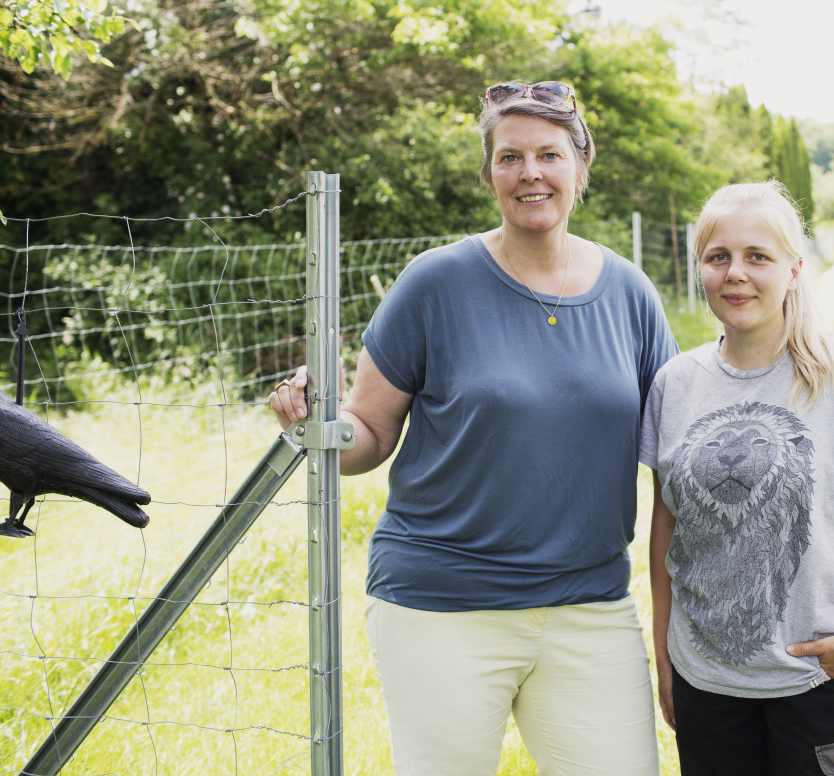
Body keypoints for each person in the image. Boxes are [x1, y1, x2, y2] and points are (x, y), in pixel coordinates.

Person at [269, 80, 677, 776]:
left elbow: (678, 452)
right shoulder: (435, 283)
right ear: (489, 172)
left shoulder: (631, 294)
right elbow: (367, 429)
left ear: (581, 165)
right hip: (443, 605)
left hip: (589, 605)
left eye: (549, 154)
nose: (531, 174)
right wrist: (318, 423)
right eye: (510, 157)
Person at [640, 180, 834, 776]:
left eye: (757, 257)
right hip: (707, 686)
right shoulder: (675, 384)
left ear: (794, 270)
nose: (736, 273)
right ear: (701, 269)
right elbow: (666, 534)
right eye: (719, 257)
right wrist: (665, 658)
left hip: (820, 681)